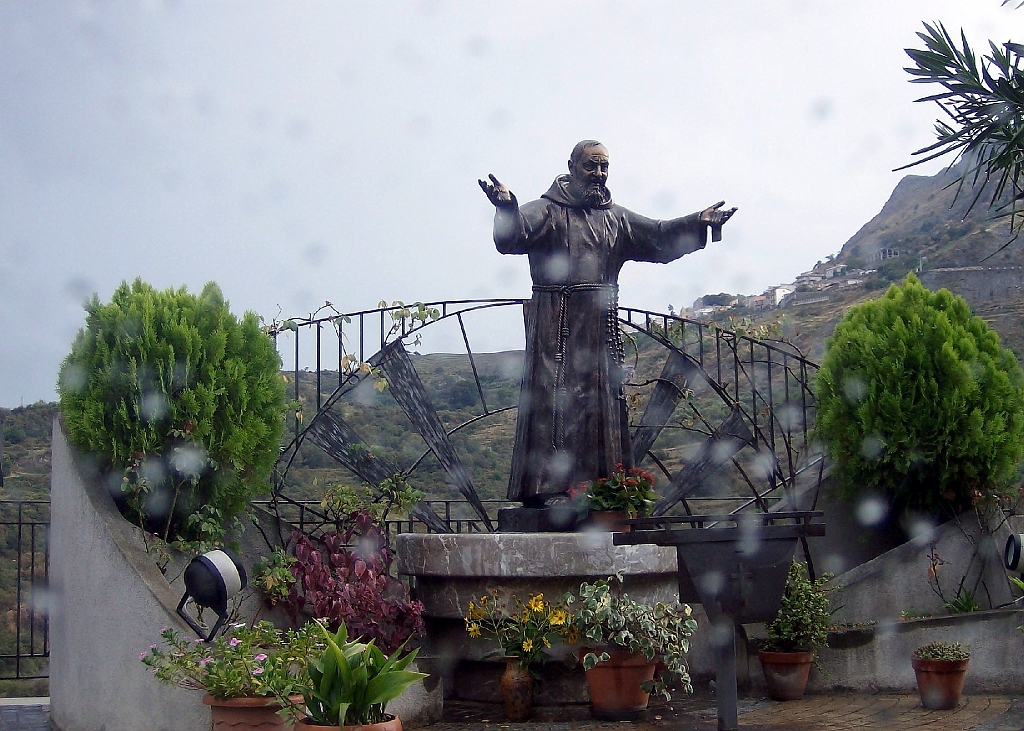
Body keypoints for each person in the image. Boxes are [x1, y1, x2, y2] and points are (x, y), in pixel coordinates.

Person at [480, 140, 736, 507]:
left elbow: (659, 235)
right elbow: (513, 236)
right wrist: (506, 208)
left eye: (604, 167)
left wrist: (698, 221)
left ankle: (601, 489)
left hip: (600, 327)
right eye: (591, 166)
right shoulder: (547, 211)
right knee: (554, 402)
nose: (599, 174)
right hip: (557, 326)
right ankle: (549, 490)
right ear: (571, 166)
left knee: (601, 405)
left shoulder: (615, 218)